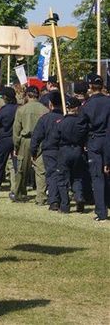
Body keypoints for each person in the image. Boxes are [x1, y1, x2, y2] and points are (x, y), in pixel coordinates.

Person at [79, 74, 110, 221]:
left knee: (97, 178)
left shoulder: (88, 104)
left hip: (95, 140)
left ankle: (101, 212)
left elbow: (82, 125)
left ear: (90, 86)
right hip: (107, 139)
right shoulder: (108, 101)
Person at [11, 86, 48, 203]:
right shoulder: (45, 110)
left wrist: (16, 146)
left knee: (22, 169)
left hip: (25, 141)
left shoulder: (21, 110)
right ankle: (41, 196)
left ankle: (19, 193)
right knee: (40, 170)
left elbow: (16, 130)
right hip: (41, 140)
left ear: (27, 95)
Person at [30, 91, 63, 209]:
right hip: (63, 149)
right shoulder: (64, 117)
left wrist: (33, 152)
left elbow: (36, 137)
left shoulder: (45, 119)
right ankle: (64, 200)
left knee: (51, 175)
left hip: (49, 150)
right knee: (62, 175)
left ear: (50, 104)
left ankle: (54, 200)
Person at [56, 97, 88, 213]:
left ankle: (65, 205)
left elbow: (56, 137)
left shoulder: (61, 122)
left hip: (64, 150)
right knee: (77, 177)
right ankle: (79, 197)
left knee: (62, 179)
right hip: (78, 150)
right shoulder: (81, 122)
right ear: (77, 108)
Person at [0, 87, 18, 199]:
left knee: (0, 165)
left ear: (5, 97)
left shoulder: (1, 111)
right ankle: (16, 190)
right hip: (16, 139)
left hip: (4, 139)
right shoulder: (18, 109)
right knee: (15, 166)